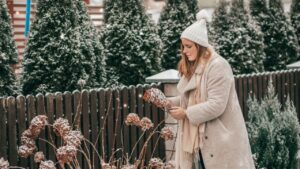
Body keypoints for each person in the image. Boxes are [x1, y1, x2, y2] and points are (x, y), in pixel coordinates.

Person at [167, 10, 255, 169]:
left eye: (188, 46)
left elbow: (216, 104)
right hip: (200, 144)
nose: (184, 51)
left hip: (220, 141)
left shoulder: (218, 66)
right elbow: (190, 98)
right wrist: (168, 102)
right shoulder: (195, 68)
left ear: (199, 46)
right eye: (183, 47)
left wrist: (186, 113)